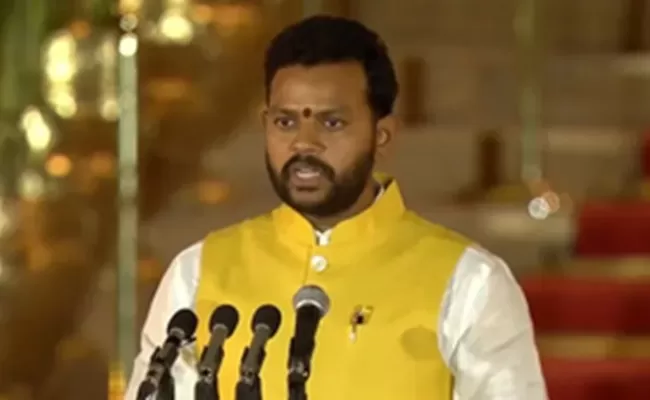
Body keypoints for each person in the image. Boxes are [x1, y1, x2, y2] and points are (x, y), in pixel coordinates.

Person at [125, 15, 548, 400]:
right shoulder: (198, 272)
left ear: (382, 136)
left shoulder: (467, 283)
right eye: (286, 122)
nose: (304, 143)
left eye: (332, 123)